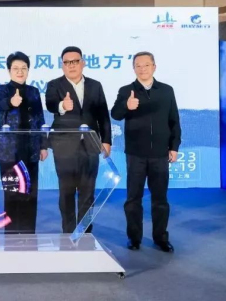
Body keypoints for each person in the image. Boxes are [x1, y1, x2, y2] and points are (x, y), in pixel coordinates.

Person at [111, 51, 180, 253]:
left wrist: (174, 146)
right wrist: (127, 106)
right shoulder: (126, 91)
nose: (142, 69)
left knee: (160, 200)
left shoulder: (166, 90)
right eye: (138, 66)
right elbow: (115, 114)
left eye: (146, 65)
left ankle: (161, 238)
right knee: (133, 199)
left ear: (154, 67)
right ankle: (134, 238)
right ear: (134, 68)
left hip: (160, 153)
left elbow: (174, 121)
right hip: (135, 154)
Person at [45, 46, 112, 234]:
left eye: (75, 61)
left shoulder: (95, 85)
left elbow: (103, 115)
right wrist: (62, 105)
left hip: (90, 146)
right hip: (64, 147)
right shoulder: (54, 85)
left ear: (83, 63)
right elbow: (50, 104)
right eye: (67, 62)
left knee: (87, 194)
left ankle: (85, 233)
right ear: (62, 66)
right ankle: (68, 234)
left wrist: (106, 140)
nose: (71, 65)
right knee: (66, 193)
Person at [0, 52, 48, 234]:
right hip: (9, 151)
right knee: (11, 194)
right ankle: (11, 236)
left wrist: (43, 145)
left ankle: (28, 235)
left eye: (24, 68)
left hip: (30, 149)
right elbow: (1, 104)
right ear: (9, 70)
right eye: (16, 68)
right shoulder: (2, 89)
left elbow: (40, 119)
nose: (20, 71)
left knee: (30, 194)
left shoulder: (33, 91)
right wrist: (12, 101)